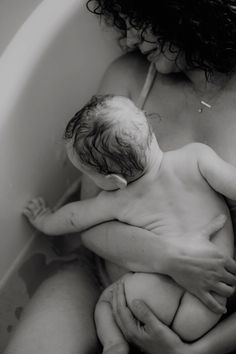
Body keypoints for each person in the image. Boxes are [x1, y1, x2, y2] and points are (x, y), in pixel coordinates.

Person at [4, 1, 236, 353]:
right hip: (100, 284)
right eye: (123, 22)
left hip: (211, 315)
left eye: (139, 22)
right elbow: (89, 224)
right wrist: (168, 259)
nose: (127, 38)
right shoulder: (129, 80)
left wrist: (196, 351)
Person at [23, 93, 235, 354]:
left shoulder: (117, 199)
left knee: (106, 303)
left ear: (115, 180)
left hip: (153, 298)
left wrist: (44, 220)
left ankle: (115, 344)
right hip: (213, 300)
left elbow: (74, 218)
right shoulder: (196, 157)